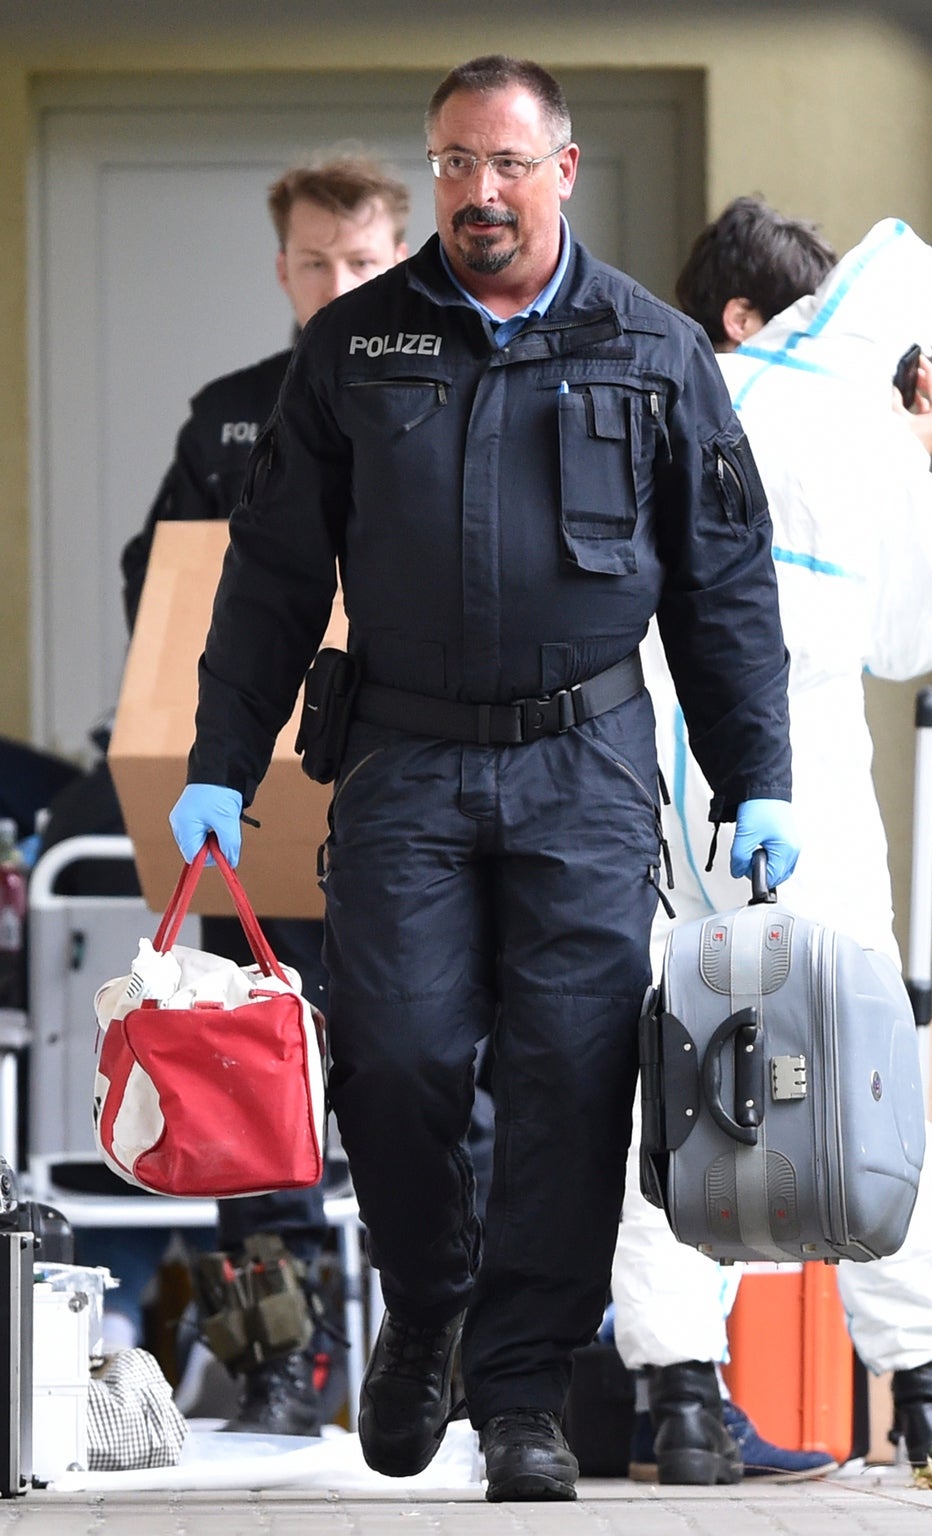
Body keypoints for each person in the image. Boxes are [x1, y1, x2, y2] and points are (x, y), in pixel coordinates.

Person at [167, 56, 800, 1503]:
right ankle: (428, 1307)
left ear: (561, 170)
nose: (479, 193)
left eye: (506, 165)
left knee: (570, 1081)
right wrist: (218, 760)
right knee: (391, 1056)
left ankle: (518, 1394)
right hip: (401, 762)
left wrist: (753, 776)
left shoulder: (653, 352)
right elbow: (268, 580)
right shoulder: (353, 350)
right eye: (453, 165)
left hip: (584, 765)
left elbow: (724, 586)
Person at [611, 195, 932, 1482]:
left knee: (671, 1071)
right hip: (811, 771)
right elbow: (911, 638)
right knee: (858, 1063)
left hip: (651, 775)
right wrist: (918, 456)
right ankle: (929, 1382)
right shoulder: (845, 420)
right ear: (756, 314)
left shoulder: (642, 403)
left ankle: (678, 1393)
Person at [113, 152, 410, 1434]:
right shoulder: (228, 418)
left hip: (412, 807)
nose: (336, 281)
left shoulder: (448, 394)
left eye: (360, 261)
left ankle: (435, 1355)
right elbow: (164, 594)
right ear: (281, 267)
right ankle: (279, 1361)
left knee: (427, 1081)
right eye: (314, 262)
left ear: (396, 255)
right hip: (260, 820)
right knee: (245, 1088)